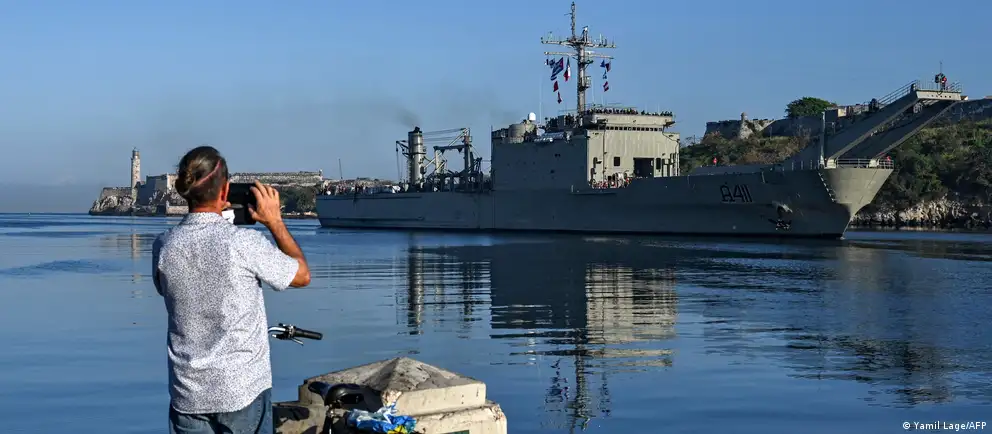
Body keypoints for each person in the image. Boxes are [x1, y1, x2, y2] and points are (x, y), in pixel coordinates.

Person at [152, 146, 311, 434]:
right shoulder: (244, 244)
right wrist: (275, 222)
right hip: (240, 390)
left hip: (188, 395)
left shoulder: (163, 246)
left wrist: (218, 219)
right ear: (225, 190)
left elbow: (171, 289)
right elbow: (301, 276)